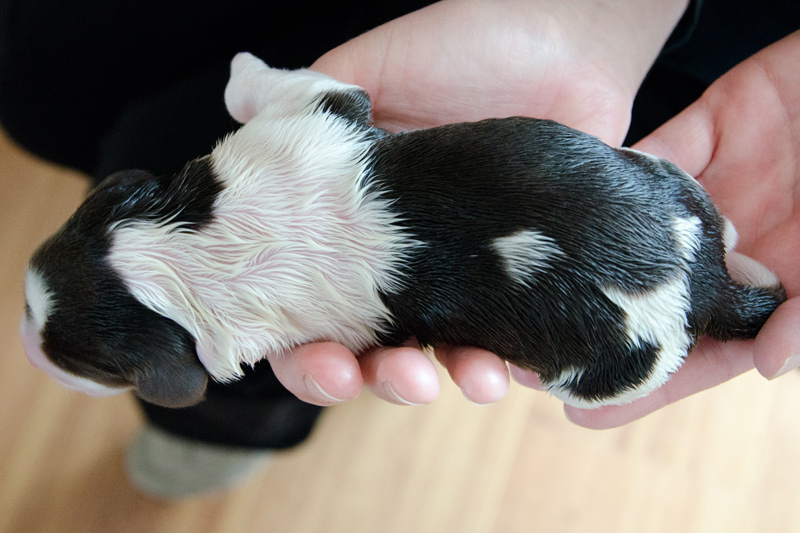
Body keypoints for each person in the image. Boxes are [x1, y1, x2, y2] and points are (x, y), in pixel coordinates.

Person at [1, 0, 798, 496]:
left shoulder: (279, 323)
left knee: (138, 127)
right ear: (121, 207)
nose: (29, 344)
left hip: (649, 280)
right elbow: (332, 101)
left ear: (176, 363)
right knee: (44, 78)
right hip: (669, 222)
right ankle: (705, 257)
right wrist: (256, 93)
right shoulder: (265, 164)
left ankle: (218, 437)